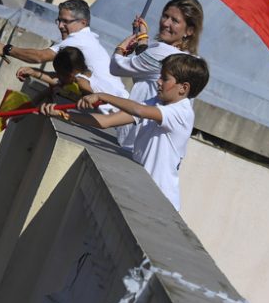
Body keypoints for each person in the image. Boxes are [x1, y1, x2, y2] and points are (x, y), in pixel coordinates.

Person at [41, 53, 209, 211]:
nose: (158, 82)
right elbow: (107, 121)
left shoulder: (181, 112)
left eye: (164, 78)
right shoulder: (157, 103)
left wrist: (103, 96)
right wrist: (64, 114)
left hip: (160, 200)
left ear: (183, 88)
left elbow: (139, 111)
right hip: (142, 190)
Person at [110, 0, 204, 149]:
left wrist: (121, 48)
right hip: (154, 146)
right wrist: (142, 39)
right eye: (165, 16)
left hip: (135, 142)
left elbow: (116, 67)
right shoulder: (192, 61)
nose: (166, 23)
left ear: (189, 30)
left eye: (175, 20)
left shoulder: (161, 51)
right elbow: (146, 73)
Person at [0, 0, 124, 93]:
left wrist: (7, 49)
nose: (60, 26)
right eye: (59, 20)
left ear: (83, 22)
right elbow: (66, 79)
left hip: (110, 109)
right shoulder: (88, 39)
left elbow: (39, 57)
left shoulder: (78, 40)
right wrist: (34, 72)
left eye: (65, 21)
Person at [20, 47, 129, 113]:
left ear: (70, 74)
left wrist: (70, 95)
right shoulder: (85, 73)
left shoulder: (82, 82)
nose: (57, 76)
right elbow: (55, 80)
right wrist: (33, 72)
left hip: (120, 111)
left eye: (59, 74)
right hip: (126, 102)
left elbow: (96, 100)